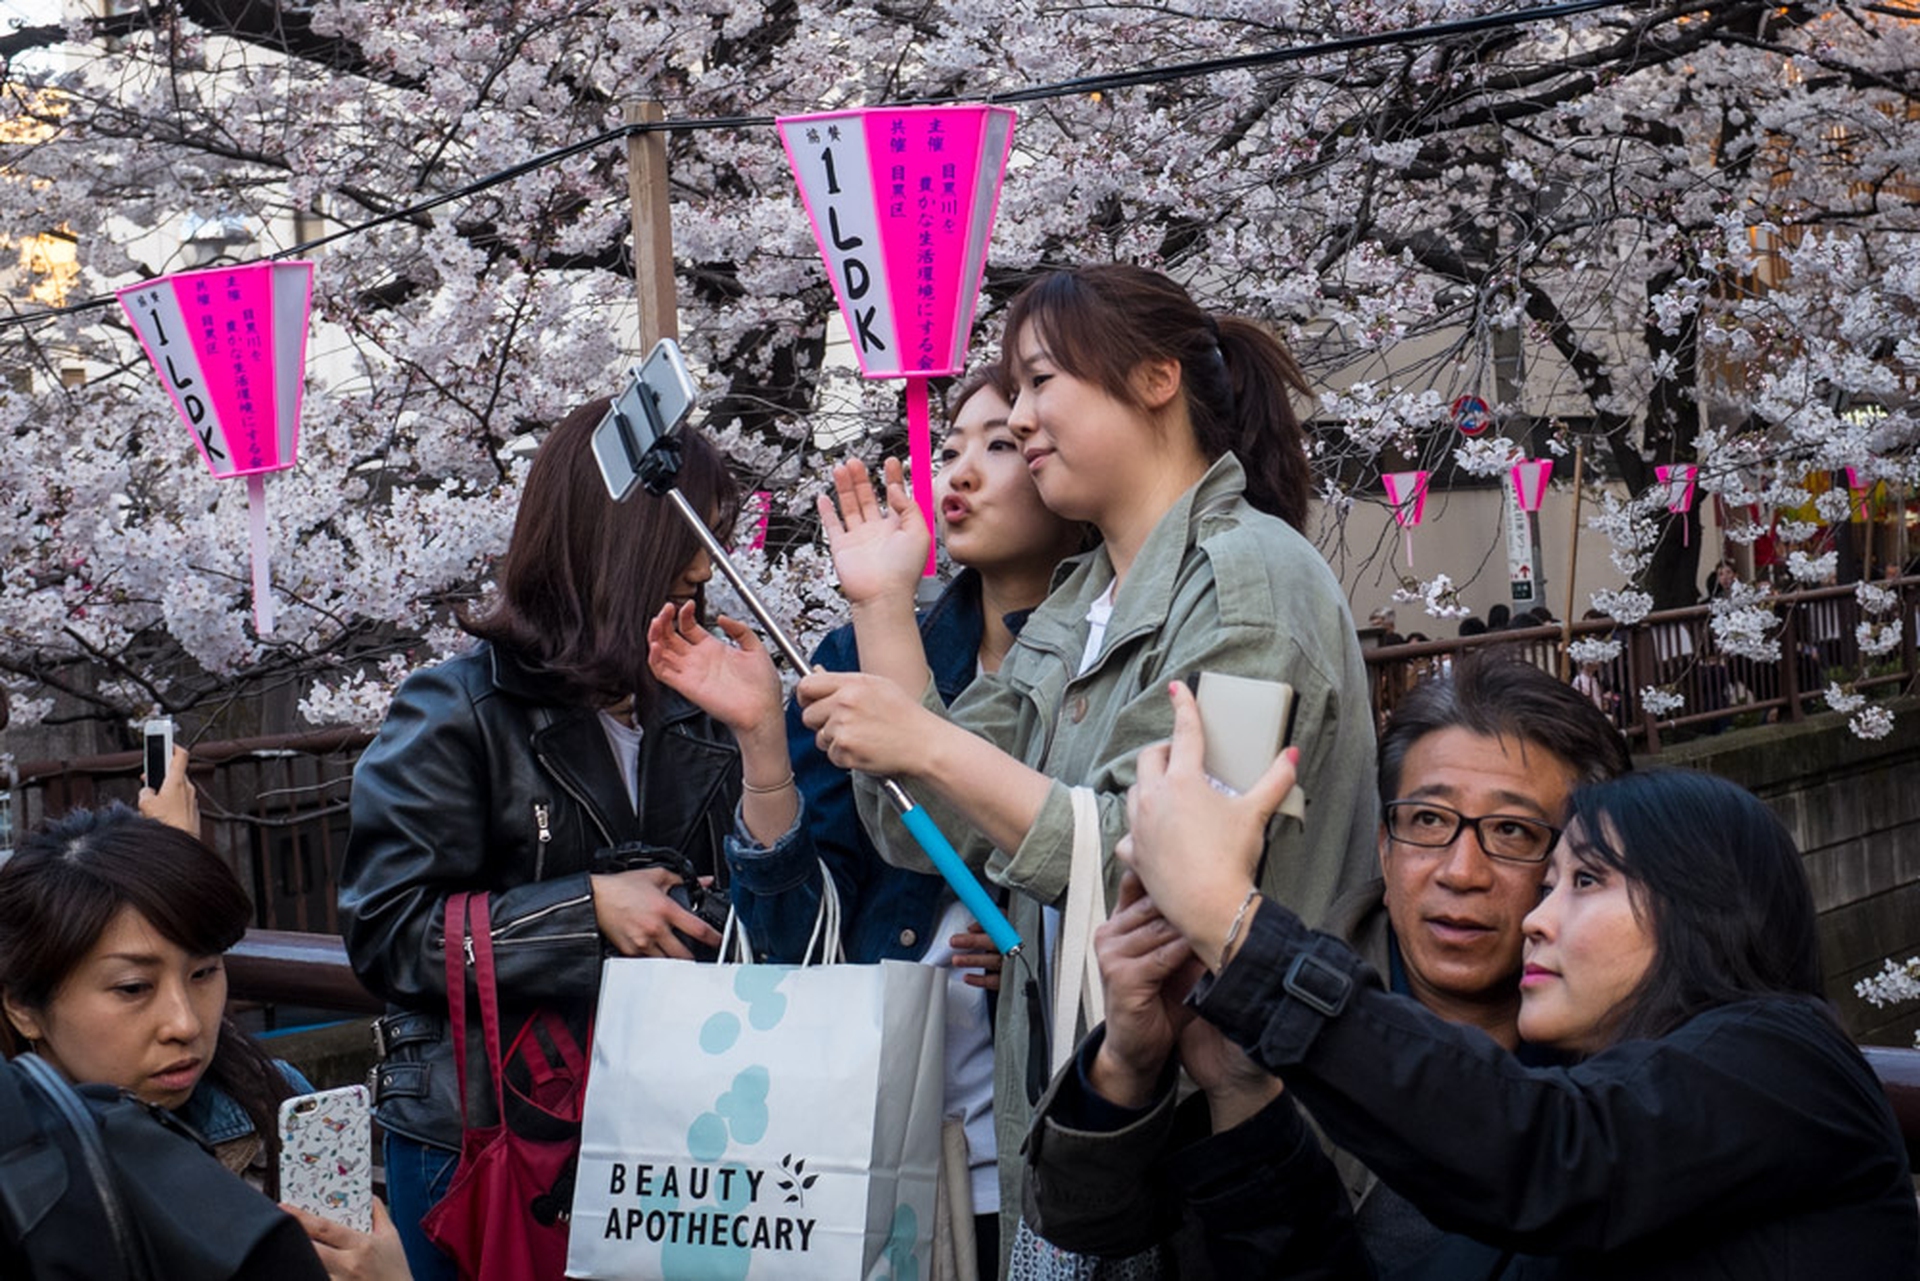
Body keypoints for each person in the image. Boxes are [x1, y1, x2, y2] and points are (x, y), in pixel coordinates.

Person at [796, 263, 1381, 1265]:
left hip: (1227, 1167)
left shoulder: (1254, 588)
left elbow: (1183, 874)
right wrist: (885, 607)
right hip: (1087, 1141)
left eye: (1038, 382)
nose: (1019, 417)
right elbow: (919, 823)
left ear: (1155, 380)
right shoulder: (1079, 606)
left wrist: (927, 742)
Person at [1109, 689, 1919, 1277]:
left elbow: (1542, 1151)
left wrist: (1235, 924)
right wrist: (1245, 1092)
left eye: (1586, 880)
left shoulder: (1784, 1059)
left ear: (1702, 905)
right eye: (1425, 821)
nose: (1535, 914)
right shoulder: (1586, 1117)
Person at [650, 367, 1088, 1272]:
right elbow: (790, 944)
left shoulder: (1111, 656)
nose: (958, 471)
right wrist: (766, 747)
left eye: (1001, 443)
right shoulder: (857, 651)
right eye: (952, 445)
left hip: (1053, 1141)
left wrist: (1045, 967)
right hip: (876, 1137)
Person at [338, 401, 779, 1280]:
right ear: (618, 543)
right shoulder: (459, 708)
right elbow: (387, 928)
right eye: (688, 539)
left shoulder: (700, 708)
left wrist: (764, 739)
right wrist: (587, 911)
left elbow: (768, 910)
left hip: (665, 1118)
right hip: (488, 1131)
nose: (707, 563)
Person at [1025, 655, 1632, 1275]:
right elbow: (1087, 1225)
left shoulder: (1639, 1054)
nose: (1461, 872)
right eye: (1427, 820)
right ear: (1383, 846)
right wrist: (1127, 1065)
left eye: (1511, 832)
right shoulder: (1255, 1002)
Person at [0, 804, 410, 1280]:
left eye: (204, 973)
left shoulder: (268, 1100)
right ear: (24, 1008)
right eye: (133, 987)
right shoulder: (18, 1180)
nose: (185, 1023)